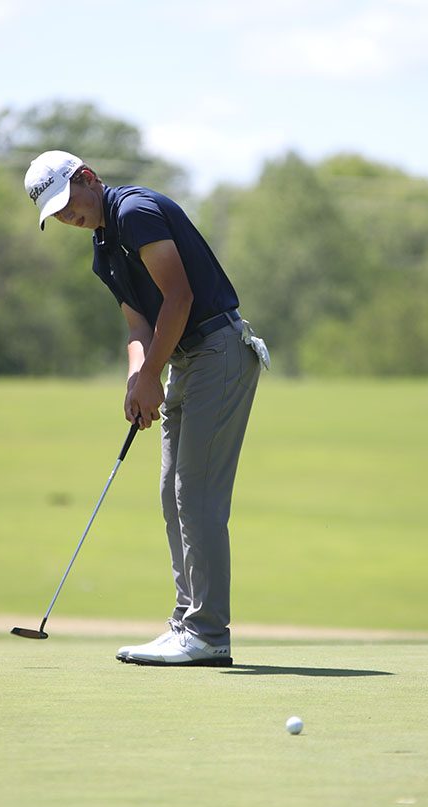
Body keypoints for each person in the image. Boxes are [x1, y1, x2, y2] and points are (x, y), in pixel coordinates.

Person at [24, 150, 269, 666]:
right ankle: (186, 623)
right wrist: (137, 379)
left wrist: (152, 373)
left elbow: (177, 299)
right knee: (170, 494)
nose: (68, 216)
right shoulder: (103, 251)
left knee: (194, 493)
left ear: (88, 179)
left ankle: (207, 633)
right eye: (57, 213)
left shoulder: (135, 212)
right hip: (181, 360)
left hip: (217, 350)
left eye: (69, 202)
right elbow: (139, 328)